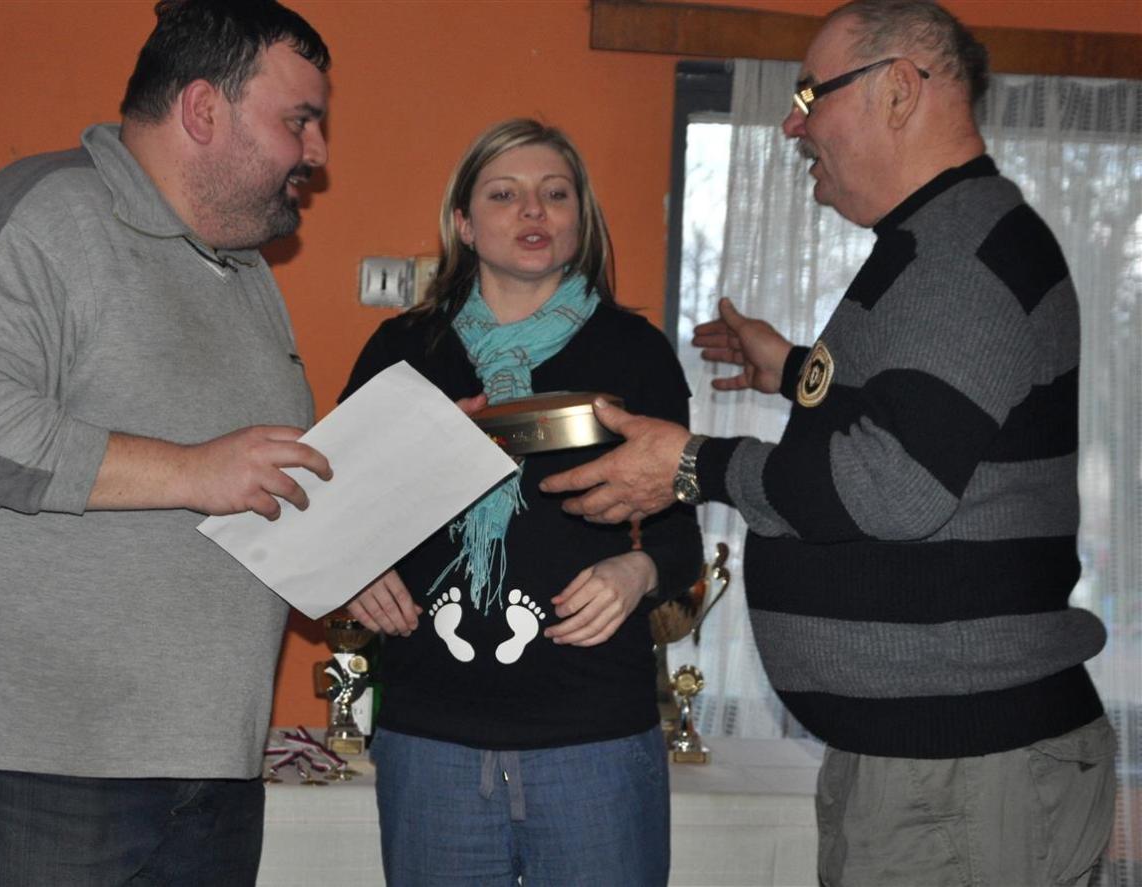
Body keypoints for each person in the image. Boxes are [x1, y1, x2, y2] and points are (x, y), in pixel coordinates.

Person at [541, 2, 1117, 885]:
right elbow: (930, 420)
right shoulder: (938, 244)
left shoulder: (962, 256)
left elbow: (895, 485)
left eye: (812, 93)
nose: (791, 122)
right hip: (934, 765)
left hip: (962, 770)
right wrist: (795, 369)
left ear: (899, 91)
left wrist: (695, 464)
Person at [0, 2, 335, 884]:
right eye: (299, 120)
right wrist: (193, 470)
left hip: (213, 769)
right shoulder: (41, 213)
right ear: (203, 110)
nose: (316, 151)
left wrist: (348, 540)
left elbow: (249, 484)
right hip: (36, 772)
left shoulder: (245, 272)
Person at [340, 118, 703, 887]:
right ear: (465, 224)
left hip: (595, 740)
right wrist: (355, 566)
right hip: (430, 738)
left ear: (580, 220)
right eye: (505, 195)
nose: (533, 211)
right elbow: (334, 511)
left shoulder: (636, 353)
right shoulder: (402, 351)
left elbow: (680, 543)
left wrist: (636, 571)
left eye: (555, 194)